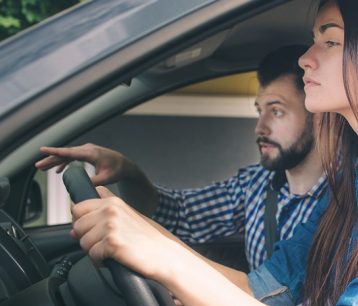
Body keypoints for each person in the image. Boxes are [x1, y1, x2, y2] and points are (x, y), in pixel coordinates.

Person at [66, 0, 358, 305]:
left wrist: (165, 257)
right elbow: (262, 288)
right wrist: (139, 232)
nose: (306, 59)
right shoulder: (355, 183)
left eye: (329, 41)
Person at [35, 44, 327, 271]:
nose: (260, 127)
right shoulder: (257, 184)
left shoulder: (347, 200)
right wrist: (128, 170)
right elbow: (179, 214)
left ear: (319, 117)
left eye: (276, 111)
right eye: (258, 110)